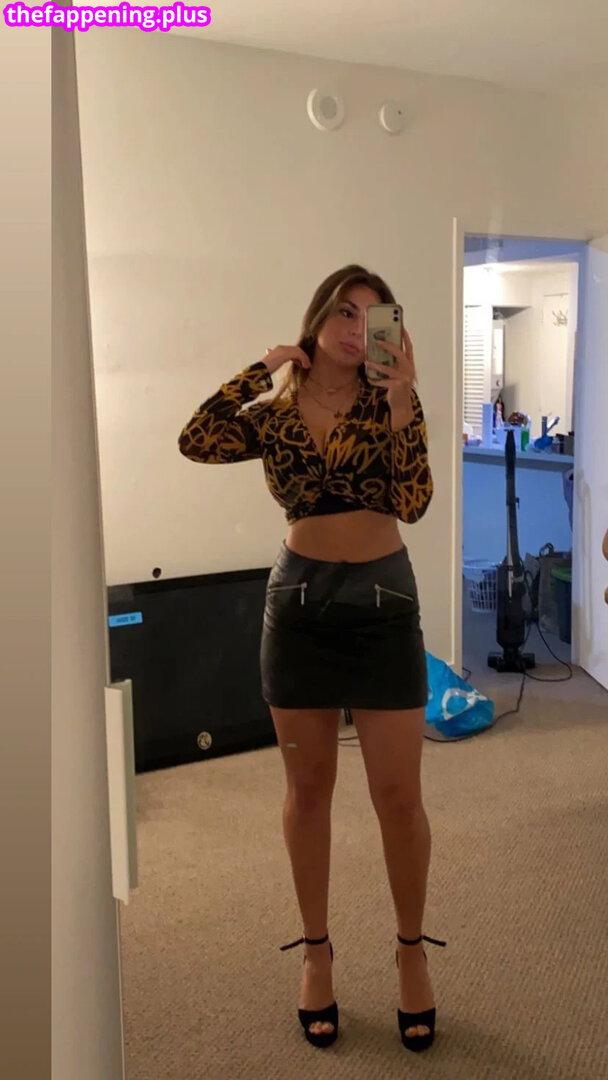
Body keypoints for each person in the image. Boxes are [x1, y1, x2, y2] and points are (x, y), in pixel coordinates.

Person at [178, 264, 446, 1053]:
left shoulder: (392, 401)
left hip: (384, 606)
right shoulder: (275, 412)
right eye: (345, 312)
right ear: (318, 319)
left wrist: (402, 400)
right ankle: (316, 954)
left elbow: (415, 501)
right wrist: (262, 369)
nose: (358, 329)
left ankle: (410, 952)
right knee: (307, 792)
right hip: (297, 607)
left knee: (399, 796)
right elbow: (196, 439)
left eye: (374, 316)